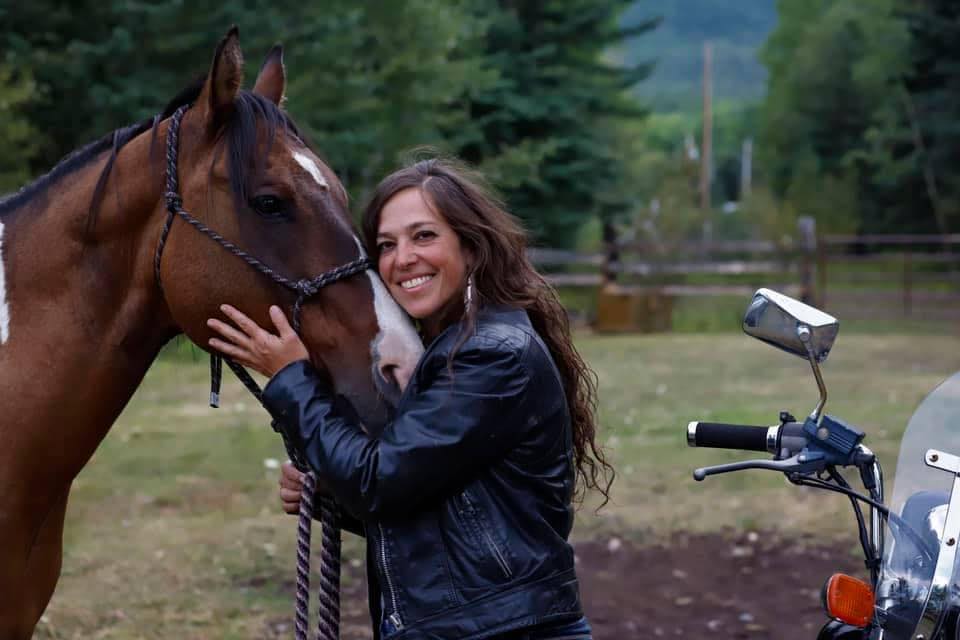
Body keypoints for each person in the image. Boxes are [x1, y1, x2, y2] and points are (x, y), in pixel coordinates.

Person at [207, 156, 613, 640]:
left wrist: (291, 379)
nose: (403, 259)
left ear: (471, 245)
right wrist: (334, 498)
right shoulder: (460, 346)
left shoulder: (491, 355)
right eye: (386, 245)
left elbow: (381, 481)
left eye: (424, 236)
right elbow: (436, 510)